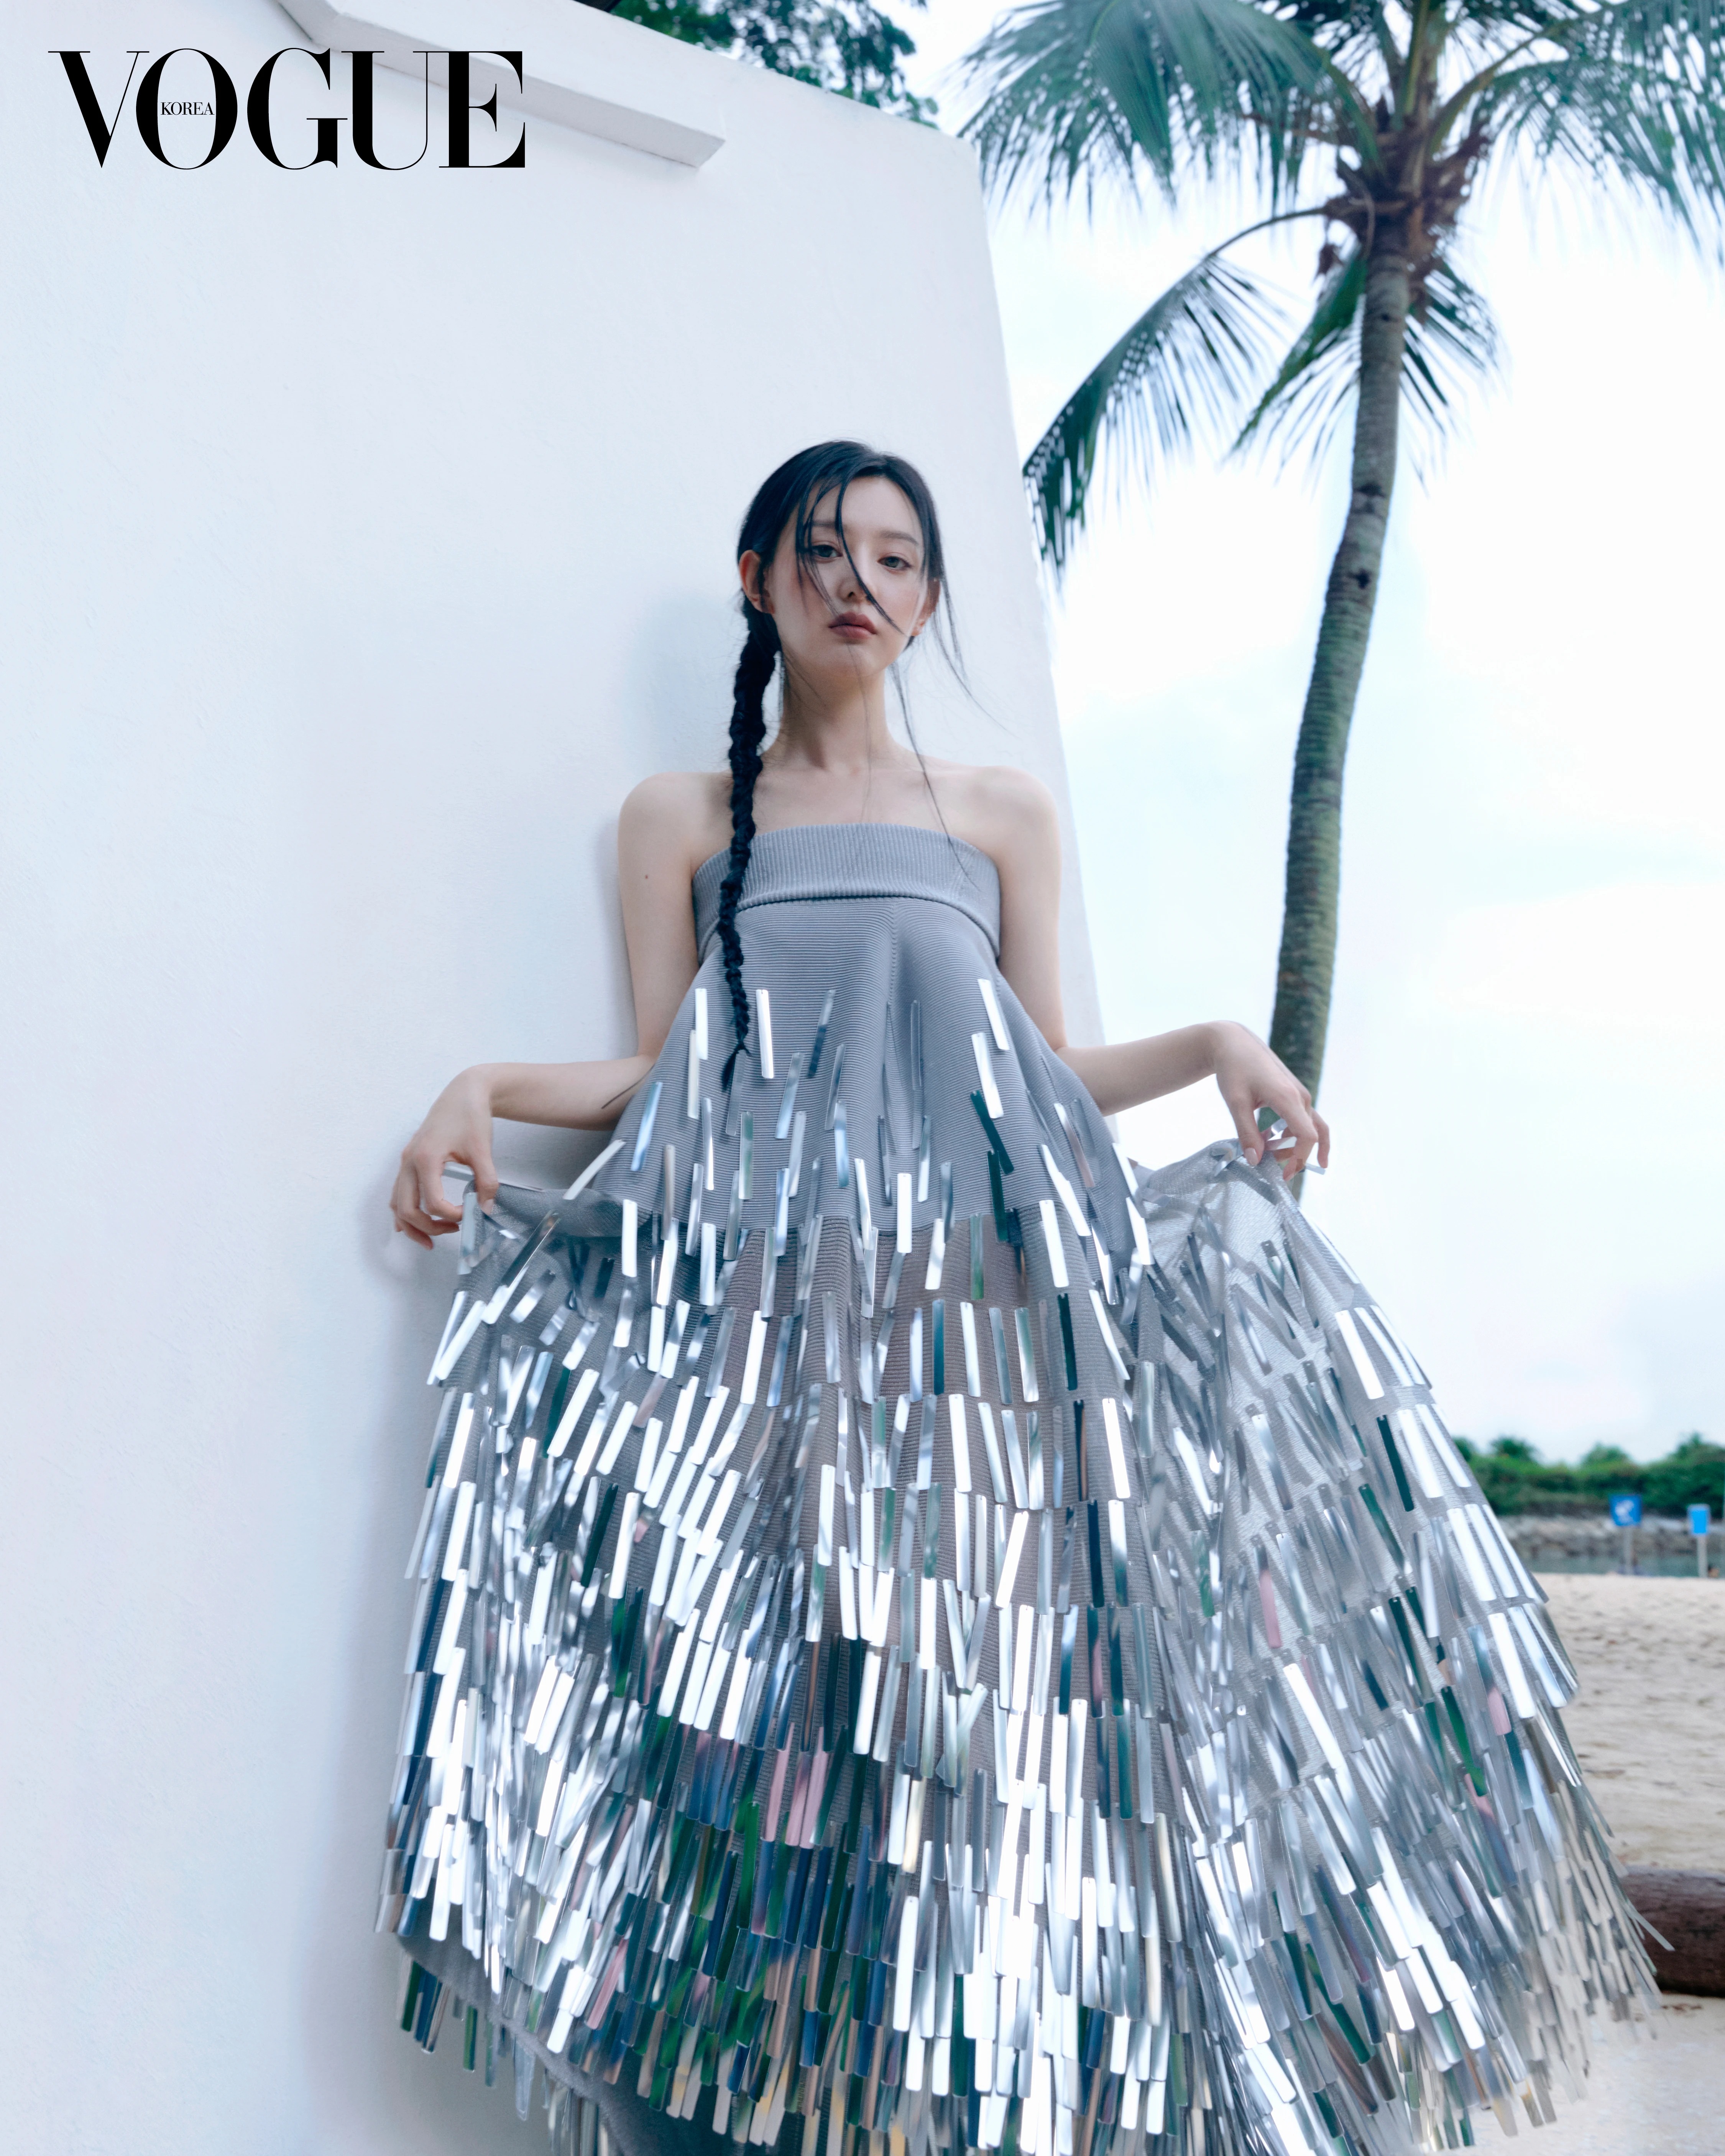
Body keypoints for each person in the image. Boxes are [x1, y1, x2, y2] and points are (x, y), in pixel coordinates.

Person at [381, 444, 1650, 2156]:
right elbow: (666, 1078)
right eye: (824, 551)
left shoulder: (997, 813)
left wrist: (1215, 1045)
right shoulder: (678, 818)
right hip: (768, 1350)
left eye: (897, 558)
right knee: (768, 1750)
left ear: (926, 597)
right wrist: (482, 1088)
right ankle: (761, 2113)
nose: (860, 582)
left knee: (994, 1756)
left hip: (979, 1355)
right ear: (759, 577)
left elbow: (1044, 1069)